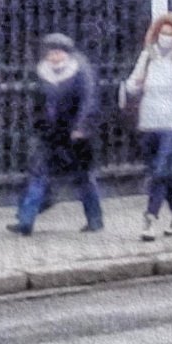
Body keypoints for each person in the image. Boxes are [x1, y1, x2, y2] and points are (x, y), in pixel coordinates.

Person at [9, 31, 103, 234]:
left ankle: (95, 220)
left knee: (84, 176)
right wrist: (38, 123)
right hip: (50, 133)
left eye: (58, 52)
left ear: (67, 53)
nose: (53, 57)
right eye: (50, 53)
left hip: (76, 133)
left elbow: (88, 102)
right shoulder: (43, 72)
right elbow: (38, 102)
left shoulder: (81, 71)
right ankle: (26, 221)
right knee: (38, 174)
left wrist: (81, 127)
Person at [123, 11, 172, 241]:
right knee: (163, 173)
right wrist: (136, 84)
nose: (166, 38)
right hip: (150, 121)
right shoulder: (148, 56)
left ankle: (150, 218)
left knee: (160, 170)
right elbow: (131, 85)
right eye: (163, 33)